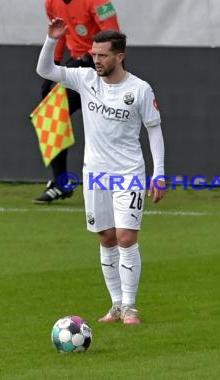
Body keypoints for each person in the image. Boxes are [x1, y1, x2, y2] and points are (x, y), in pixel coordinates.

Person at [37, 18, 167, 324]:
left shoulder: (139, 89)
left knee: (125, 237)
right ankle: (116, 305)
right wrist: (51, 39)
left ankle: (131, 307)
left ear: (119, 56)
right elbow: (45, 71)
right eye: (94, 55)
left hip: (129, 173)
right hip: (95, 174)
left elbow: (155, 131)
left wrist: (158, 172)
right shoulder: (85, 79)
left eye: (103, 55)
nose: (96, 60)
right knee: (106, 238)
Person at [34, 0, 121, 204]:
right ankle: (60, 183)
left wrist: (92, 60)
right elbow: (60, 34)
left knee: (109, 127)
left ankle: (115, 184)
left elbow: (114, 38)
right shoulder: (52, 3)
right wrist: (53, 67)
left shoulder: (99, 2)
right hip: (78, 68)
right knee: (50, 114)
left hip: (104, 69)